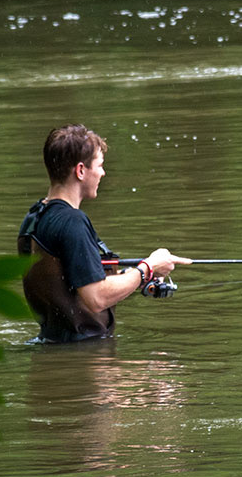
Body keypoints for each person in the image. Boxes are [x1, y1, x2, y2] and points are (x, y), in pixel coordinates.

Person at [17, 124, 190, 342]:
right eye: (99, 165)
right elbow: (96, 297)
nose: (103, 172)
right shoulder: (73, 222)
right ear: (80, 170)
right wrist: (148, 267)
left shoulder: (34, 218)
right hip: (86, 357)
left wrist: (137, 275)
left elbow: (76, 282)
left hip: (52, 346)